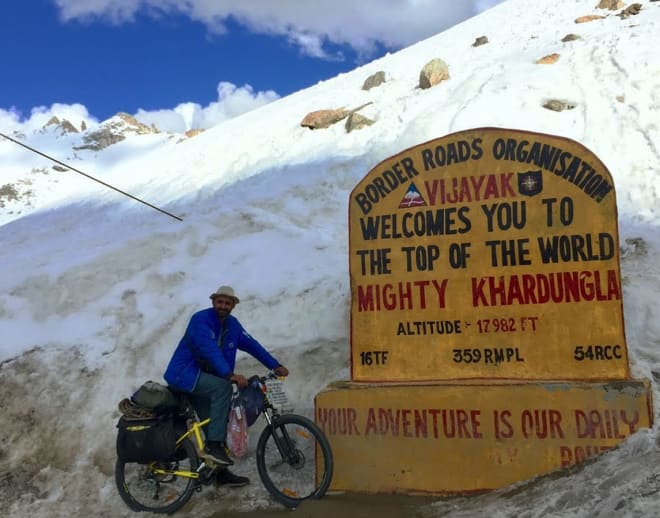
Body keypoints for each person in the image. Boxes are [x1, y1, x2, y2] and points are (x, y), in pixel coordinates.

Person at [164, 285, 289, 487]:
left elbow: (253, 345)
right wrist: (229, 374)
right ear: (213, 302)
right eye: (220, 302)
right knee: (222, 388)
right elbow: (210, 349)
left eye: (227, 303)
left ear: (233, 306)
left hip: (204, 379)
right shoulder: (200, 320)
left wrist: (275, 365)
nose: (223, 306)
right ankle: (213, 447)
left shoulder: (233, 325)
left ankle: (219, 473)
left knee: (218, 422)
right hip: (184, 375)